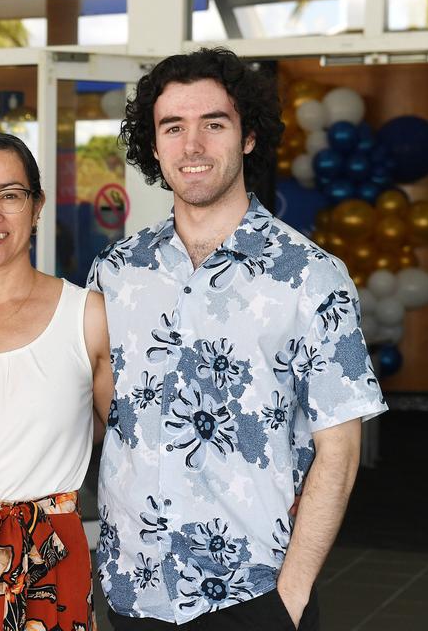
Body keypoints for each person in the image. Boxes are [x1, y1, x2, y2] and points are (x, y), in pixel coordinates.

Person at [86, 47, 387, 630]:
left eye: (213, 124)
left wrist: (290, 600)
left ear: (248, 136)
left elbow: (340, 452)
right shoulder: (115, 271)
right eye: (172, 127)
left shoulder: (310, 276)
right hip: (132, 590)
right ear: (153, 146)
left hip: (254, 594)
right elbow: (106, 417)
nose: (192, 146)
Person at [0, 131, 113, 631]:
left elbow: (113, 431)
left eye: (10, 195)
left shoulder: (86, 315)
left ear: (36, 207)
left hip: (52, 557)